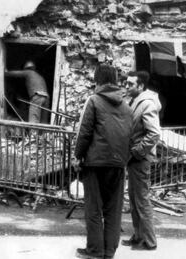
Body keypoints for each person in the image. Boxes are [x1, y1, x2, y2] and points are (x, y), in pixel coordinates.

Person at [74, 64, 133, 259]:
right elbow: (130, 136)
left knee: (93, 208)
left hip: (95, 163)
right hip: (118, 164)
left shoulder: (94, 101)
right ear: (115, 80)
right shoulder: (126, 106)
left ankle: (95, 251)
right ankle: (109, 251)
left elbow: (85, 132)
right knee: (113, 210)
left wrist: (77, 156)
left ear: (97, 80)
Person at [121, 71, 161, 251]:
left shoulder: (147, 104)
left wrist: (137, 152)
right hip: (134, 158)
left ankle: (149, 241)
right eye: (126, 83)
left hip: (140, 158)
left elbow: (154, 133)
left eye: (130, 84)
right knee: (134, 198)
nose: (127, 86)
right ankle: (138, 236)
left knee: (142, 199)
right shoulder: (136, 101)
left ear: (141, 86)